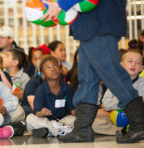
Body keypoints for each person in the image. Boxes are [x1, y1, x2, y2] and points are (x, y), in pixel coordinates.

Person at [43, 0, 144, 143]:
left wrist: (60, 4)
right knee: (87, 79)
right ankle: (82, 129)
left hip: (99, 25)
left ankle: (139, 125)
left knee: (113, 75)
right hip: (91, 26)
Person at [26, 55, 75, 138]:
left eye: (55, 66)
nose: (53, 69)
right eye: (48, 68)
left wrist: (81, 113)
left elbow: (72, 109)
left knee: (75, 119)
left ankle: (51, 131)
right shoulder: (40, 90)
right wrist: (42, 112)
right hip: (46, 120)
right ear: (43, 74)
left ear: (60, 70)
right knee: (30, 119)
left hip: (63, 120)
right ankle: (57, 129)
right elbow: (37, 113)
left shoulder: (67, 88)